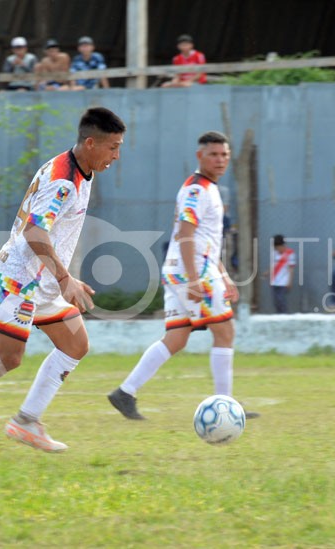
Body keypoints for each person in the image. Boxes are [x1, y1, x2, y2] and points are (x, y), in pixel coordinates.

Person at [0, 107, 127, 460]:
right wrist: (64, 277)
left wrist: (60, 277)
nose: (116, 156)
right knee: (8, 357)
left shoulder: (78, 168)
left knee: (75, 343)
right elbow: (33, 230)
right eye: (113, 148)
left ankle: (27, 421)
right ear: (91, 143)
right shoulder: (64, 180)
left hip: (42, 280)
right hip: (20, 280)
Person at [107, 131, 247, 421]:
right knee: (225, 332)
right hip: (190, 271)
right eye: (214, 154)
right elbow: (185, 234)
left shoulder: (206, 188)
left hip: (188, 269)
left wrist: (223, 275)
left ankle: (125, 393)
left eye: (224, 155)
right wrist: (196, 280)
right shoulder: (197, 190)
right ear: (200, 156)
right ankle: (227, 406)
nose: (220, 160)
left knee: (176, 337)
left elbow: (204, 240)